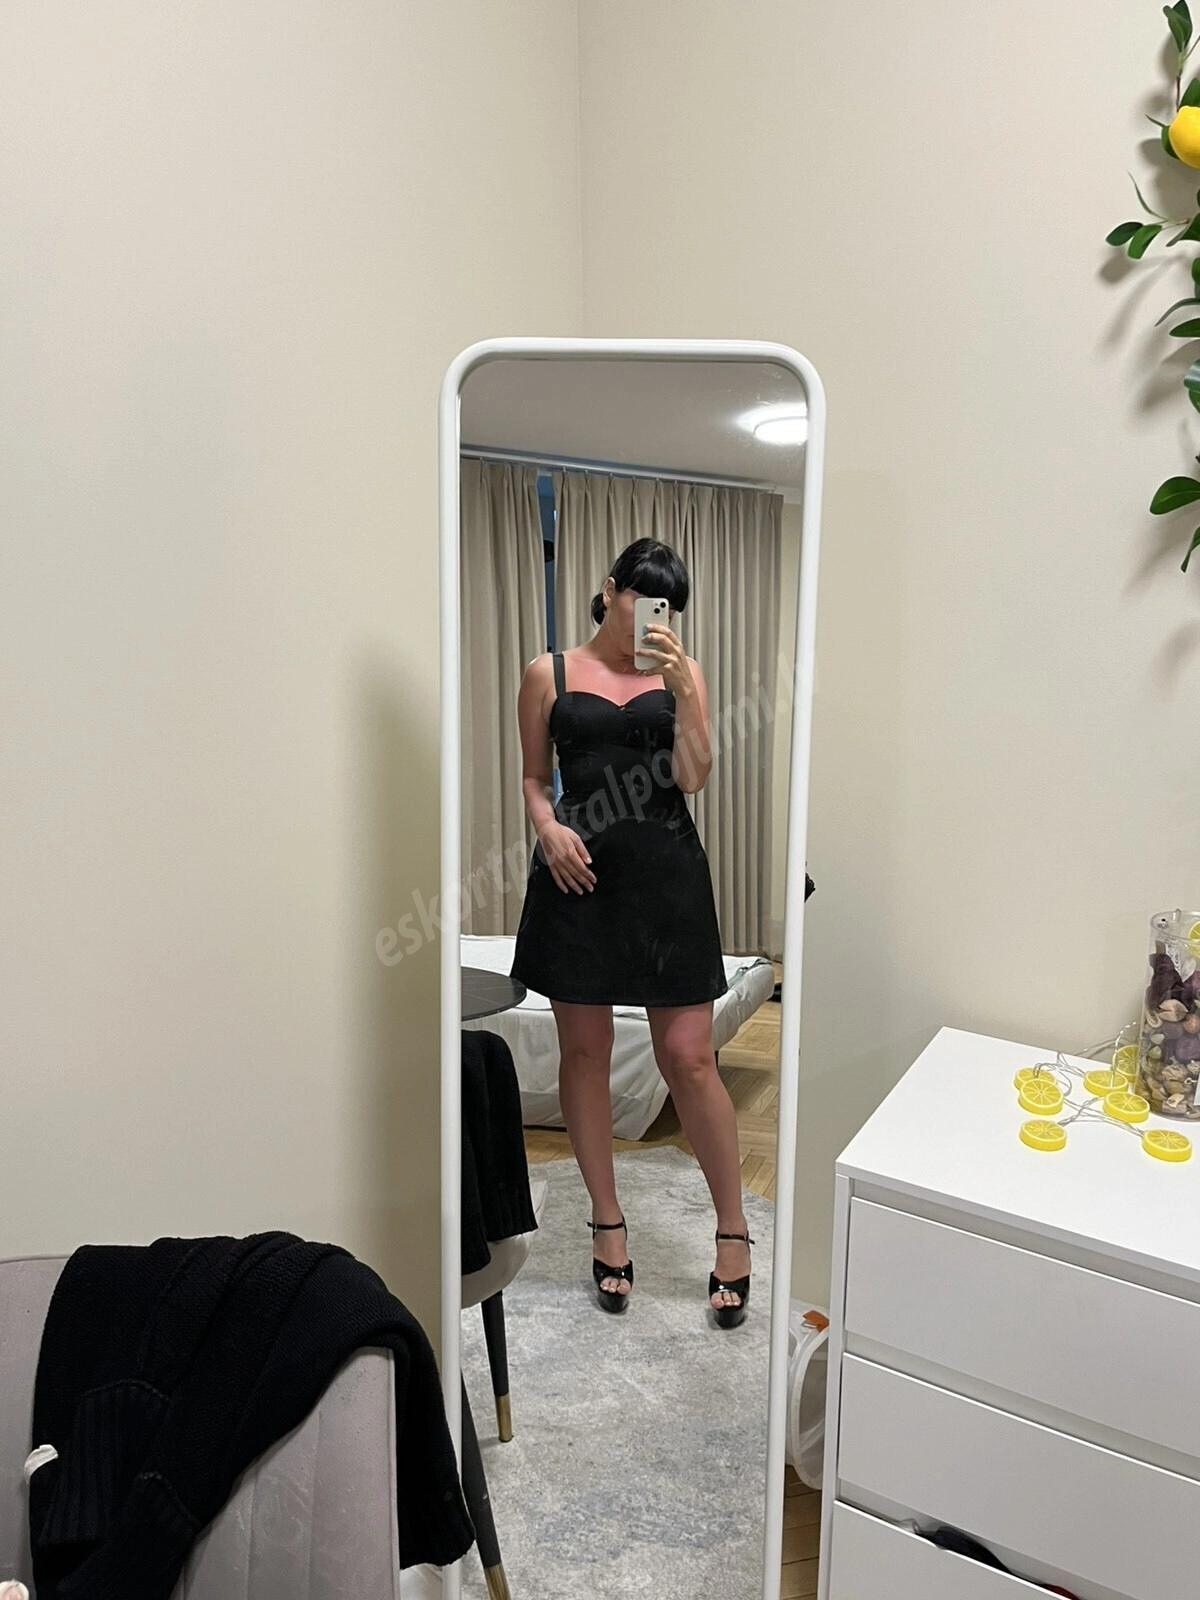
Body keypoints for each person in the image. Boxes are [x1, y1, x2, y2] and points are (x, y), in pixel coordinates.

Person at [510, 538, 754, 1329]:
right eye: (646, 601)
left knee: (690, 1058)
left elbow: (694, 777)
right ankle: (606, 1222)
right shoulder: (548, 672)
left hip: (667, 879)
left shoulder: (682, 674)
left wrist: (686, 691)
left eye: (670, 608)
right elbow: (533, 777)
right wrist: (546, 827)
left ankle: (733, 1228)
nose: (657, 619)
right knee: (584, 1055)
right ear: (611, 591)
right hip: (577, 879)